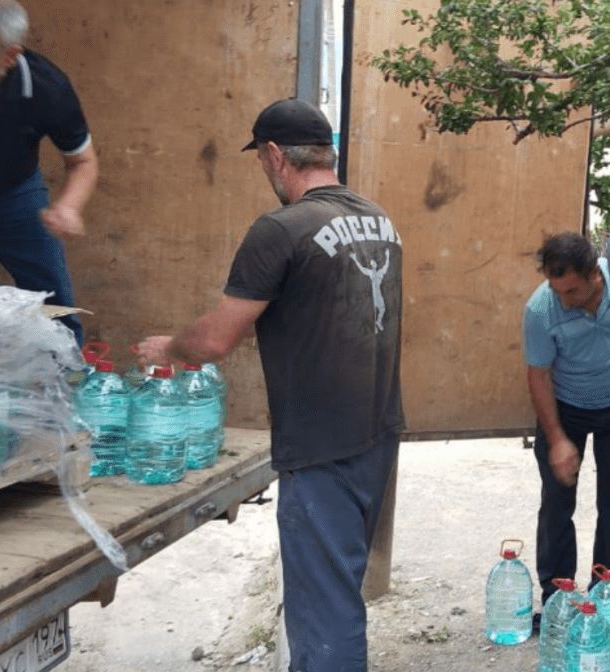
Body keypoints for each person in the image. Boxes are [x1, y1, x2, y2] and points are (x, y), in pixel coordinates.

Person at [135, 98, 404, 672]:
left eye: (261, 155)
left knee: (325, 616)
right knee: (337, 596)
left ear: (276, 155)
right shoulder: (380, 220)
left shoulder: (282, 228)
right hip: (377, 436)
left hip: (320, 449)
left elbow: (215, 340)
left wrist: (169, 349)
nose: (263, 166)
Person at [523, 232, 610, 607]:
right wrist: (556, 440)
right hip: (567, 407)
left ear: (594, 277)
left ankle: (606, 591)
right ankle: (558, 597)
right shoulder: (541, 310)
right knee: (557, 502)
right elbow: (537, 376)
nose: (562, 300)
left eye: (570, 291)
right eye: (556, 290)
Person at [0, 0, 98, 344]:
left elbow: (82, 162)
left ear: (10, 55)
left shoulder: (46, 89)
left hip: (13, 194)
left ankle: (65, 385)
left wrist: (69, 207)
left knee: (56, 305)